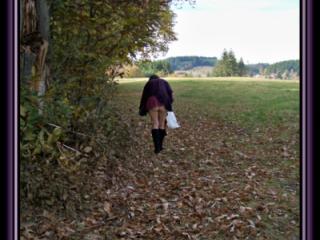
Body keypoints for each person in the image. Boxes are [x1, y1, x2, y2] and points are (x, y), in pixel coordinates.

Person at [139, 74, 174, 154]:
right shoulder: (164, 82)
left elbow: (144, 96)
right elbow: (170, 93)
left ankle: (157, 148)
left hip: (152, 102)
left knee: (155, 124)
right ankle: (160, 147)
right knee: (162, 124)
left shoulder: (149, 83)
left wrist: (142, 108)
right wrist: (169, 104)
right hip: (164, 102)